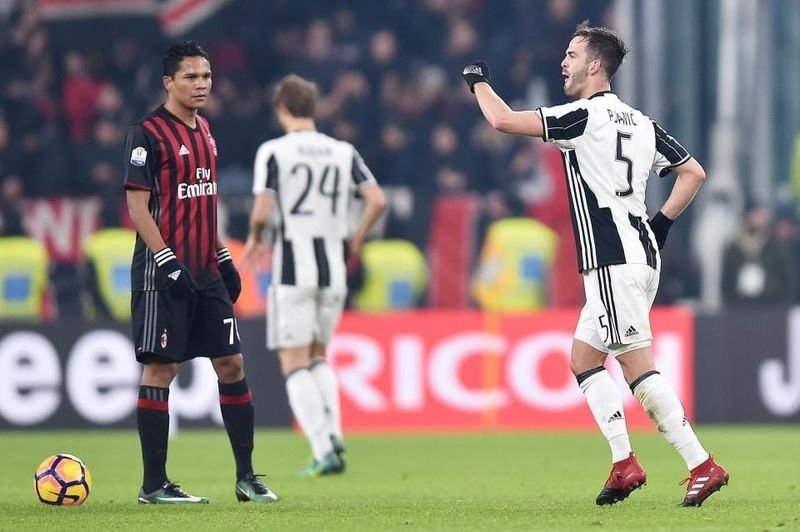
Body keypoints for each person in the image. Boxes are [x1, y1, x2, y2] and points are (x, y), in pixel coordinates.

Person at [462, 22, 729, 507]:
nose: (563, 62)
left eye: (572, 54)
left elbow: (501, 121)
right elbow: (692, 172)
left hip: (611, 259)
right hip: (640, 254)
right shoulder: (641, 122)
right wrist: (662, 224)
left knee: (637, 367)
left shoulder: (582, 117)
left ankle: (701, 464)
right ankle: (624, 463)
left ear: (595, 65)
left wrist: (477, 81)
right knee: (584, 359)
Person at [123, 41, 277, 504]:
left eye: (206, 76)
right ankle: (154, 485)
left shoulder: (206, 130)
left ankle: (247, 478)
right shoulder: (147, 133)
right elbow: (137, 206)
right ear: (168, 82)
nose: (201, 84)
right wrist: (166, 260)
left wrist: (223, 255)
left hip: (206, 271)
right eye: (191, 76)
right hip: (162, 273)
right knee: (161, 368)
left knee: (231, 364)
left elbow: (203, 201)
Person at [243, 74, 386, 477]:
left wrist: (255, 239)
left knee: (293, 362)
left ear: (282, 109)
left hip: (293, 270)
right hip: (333, 269)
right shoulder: (343, 151)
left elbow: (262, 209)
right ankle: (334, 437)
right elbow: (376, 199)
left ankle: (323, 448)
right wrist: (356, 238)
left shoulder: (274, 151)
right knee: (318, 355)